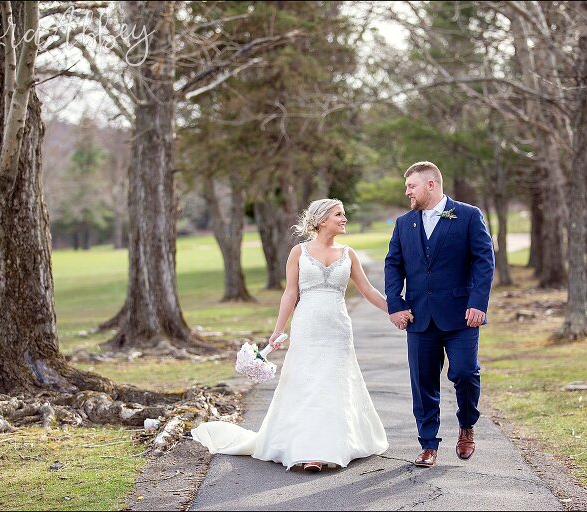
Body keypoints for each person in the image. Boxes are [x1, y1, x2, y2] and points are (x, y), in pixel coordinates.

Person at [191, 198, 389, 472]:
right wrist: (278, 330)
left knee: (334, 384)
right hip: (307, 326)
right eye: (338, 215)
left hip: (338, 328)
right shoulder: (299, 252)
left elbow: (367, 290)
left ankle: (337, 444)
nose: (344, 219)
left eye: (343, 214)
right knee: (308, 385)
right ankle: (310, 452)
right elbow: (290, 293)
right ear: (321, 221)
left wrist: (395, 311)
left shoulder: (349, 253)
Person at [384, 161, 494, 468]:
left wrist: (478, 303)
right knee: (423, 382)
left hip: (462, 316)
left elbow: (484, 261)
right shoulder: (405, 223)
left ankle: (467, 425)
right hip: (419, 317)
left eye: (411, 186)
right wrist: (396, 304)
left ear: (431, 185)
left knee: (465, 373)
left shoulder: (469, 215)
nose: (407, 191)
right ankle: (428, 444)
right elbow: (393, 265)